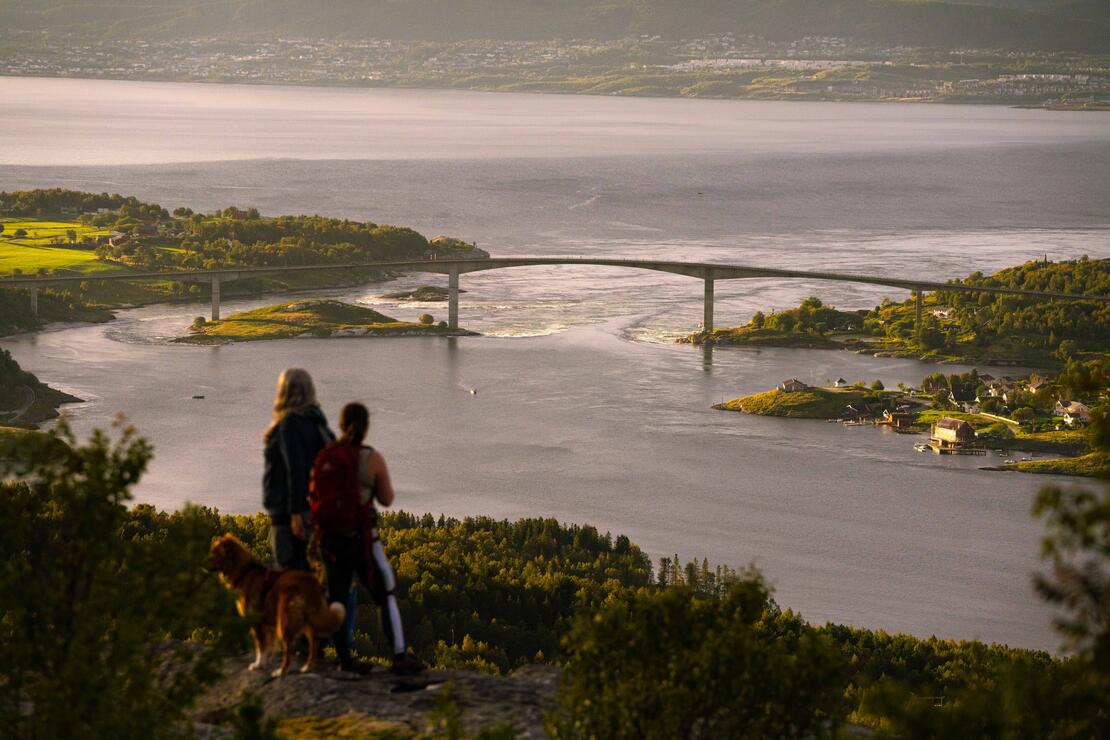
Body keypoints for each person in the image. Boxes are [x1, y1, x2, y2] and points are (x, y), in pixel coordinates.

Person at [320, 401, 425, 675]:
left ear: (341, 425)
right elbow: (387, 499)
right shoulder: (371, 458)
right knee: (386, 592)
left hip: (330, 541)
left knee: (337, 598)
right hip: (362, 541)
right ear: (366, 428)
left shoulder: (326, 456)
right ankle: (399, 656)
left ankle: (344, 660)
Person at [262, 368, 332, 571]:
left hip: (289, 518)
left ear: (283, 391)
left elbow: (296, 468)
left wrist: (296, 513)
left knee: (293, 582)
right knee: (312, 580)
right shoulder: (319, 424)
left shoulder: (288, 424)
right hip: (314, 513)